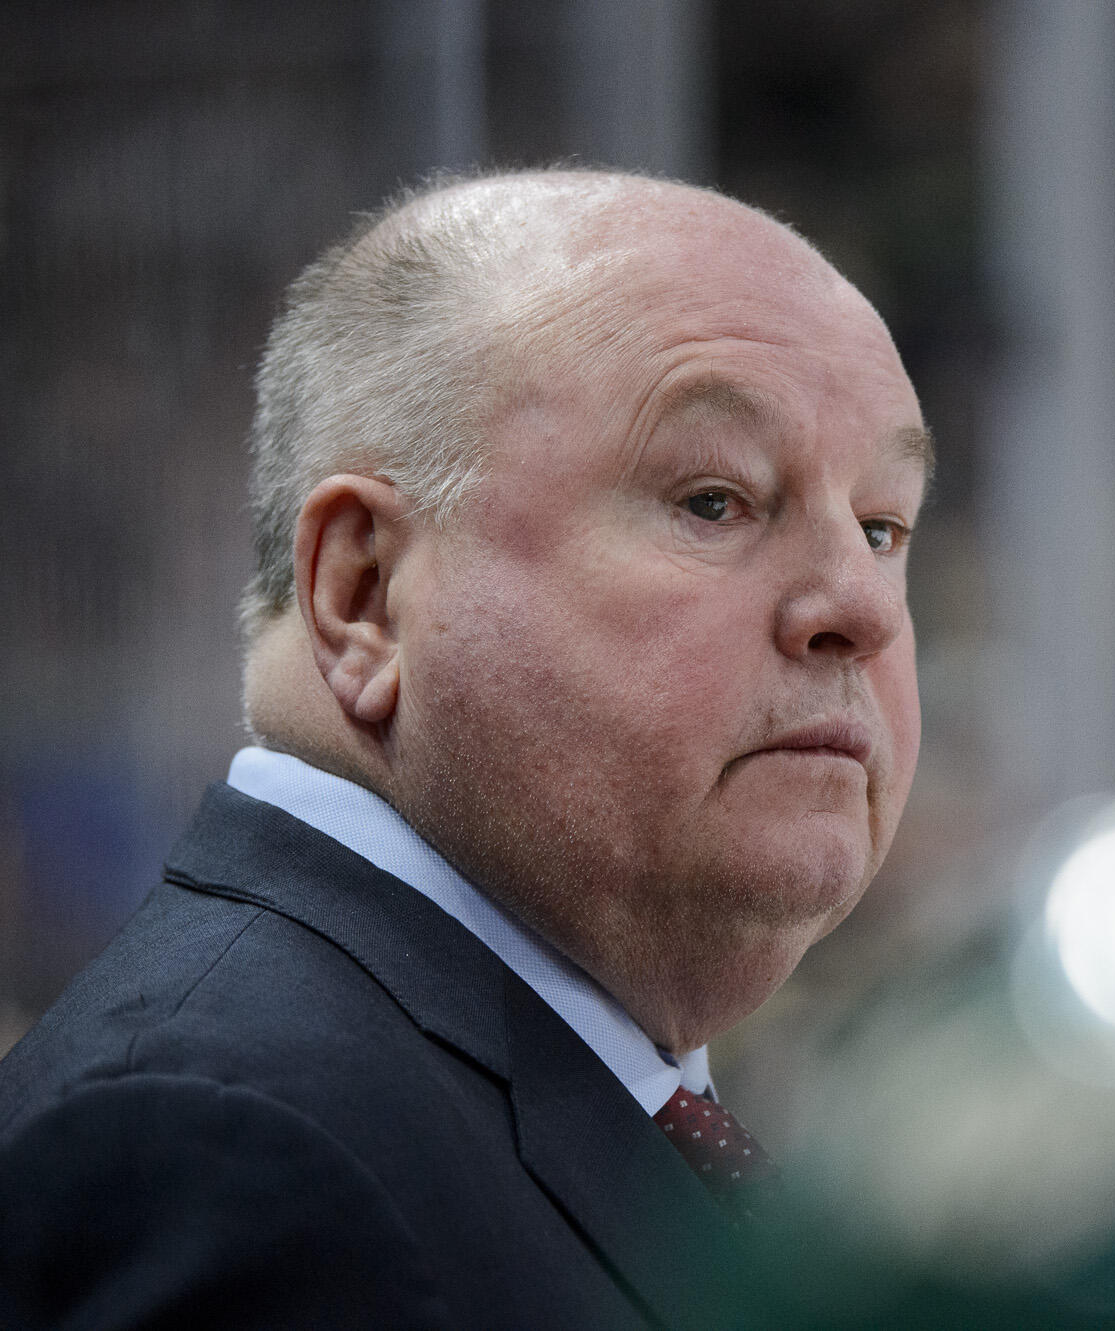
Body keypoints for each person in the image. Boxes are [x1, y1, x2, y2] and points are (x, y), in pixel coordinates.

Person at [0, 168, 931, 1328]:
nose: (862, 603)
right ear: (363, 590)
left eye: (884, 522)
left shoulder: (498, 1092)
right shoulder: (221, 1147)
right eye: (714, 499)